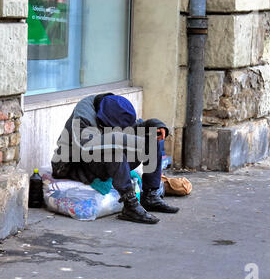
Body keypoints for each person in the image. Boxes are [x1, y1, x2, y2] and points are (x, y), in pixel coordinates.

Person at [51, 93, 180, 224]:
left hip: (95, 161)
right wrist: (126, 139)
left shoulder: (113, 106)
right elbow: (86, 146)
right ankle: (130, 205)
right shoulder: (83, 116)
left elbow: (135, 127)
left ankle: (150, 196)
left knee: (151, 140)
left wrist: (155, 126)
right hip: (72, 164)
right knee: (113, 152)